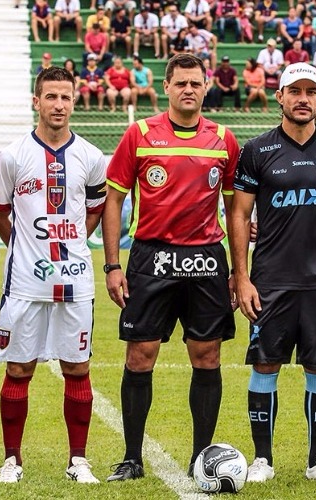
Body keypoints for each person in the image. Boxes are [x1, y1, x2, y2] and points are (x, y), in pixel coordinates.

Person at [103, 53, 239, 482]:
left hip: (206, 259)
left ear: (206, 87)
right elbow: (113, 199)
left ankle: (202, 459)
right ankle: (131, 457)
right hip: (151, 258)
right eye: (181, 83)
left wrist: (239, 271)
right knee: (140, 356)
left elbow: (236, 210)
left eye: (196, 83)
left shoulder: (224, 139)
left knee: (207, 355)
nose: (188, 90)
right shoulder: (140, 134)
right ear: (166, 87)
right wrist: (112, 264)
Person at [229, 62, 316, 485]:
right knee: (265, 366)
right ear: (279, 97)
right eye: (294, 91)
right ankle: (262, 459)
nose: (303, 98)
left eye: (311, 91)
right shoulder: (256, 149)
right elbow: (240, 212)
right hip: (270, 280)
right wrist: (242, 277)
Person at [0, 66, 106, 485]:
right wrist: (22, 244)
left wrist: (72, 242)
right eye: (51, 97)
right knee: (19, 370)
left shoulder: (91, 157)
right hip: (24, 283)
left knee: (77, 369)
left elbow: (95, 207)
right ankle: (11, 461)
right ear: (36, 101)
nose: (59, 105)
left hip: (76, 282)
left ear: (74, 102)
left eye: (66, 97)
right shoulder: (13, 156)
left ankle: (78, 460)